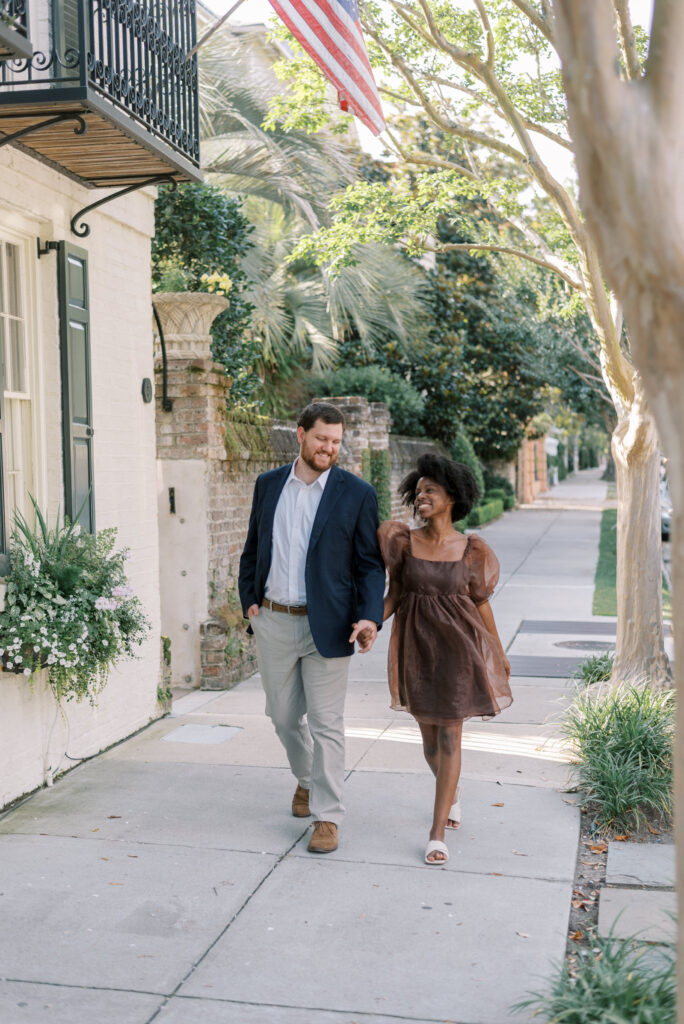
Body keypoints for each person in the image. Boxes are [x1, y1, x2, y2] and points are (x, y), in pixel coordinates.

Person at [238, 402, 386, 854]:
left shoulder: (356, 493)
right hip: (274, 621)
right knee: (282, 717)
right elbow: (252, 548)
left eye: (337, 441)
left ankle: (328, 817)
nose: (330, 448)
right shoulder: (268, 486)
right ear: (300, 435)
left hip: (330, 627)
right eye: (322, 439)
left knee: (327, 724)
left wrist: (369, 616)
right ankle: (307, 779)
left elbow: (369, 565)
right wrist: (248, 602)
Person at [378, 453, 512, 865]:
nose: (421, 497)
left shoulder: (471, 549)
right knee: (430, 743)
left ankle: (436, 833)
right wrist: (370, 623)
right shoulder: (403, 541)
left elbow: (482, 604)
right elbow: (395, 596)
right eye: (417, 491)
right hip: (416, 648)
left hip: (458, 651)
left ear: (451, 496)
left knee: (451, 736)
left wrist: (498, 652)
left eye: (430, 490)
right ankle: (451, 790)